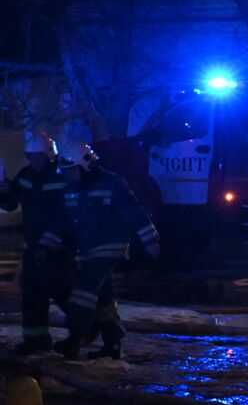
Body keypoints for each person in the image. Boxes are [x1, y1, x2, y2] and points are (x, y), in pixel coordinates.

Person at [40, 138, 159, 360]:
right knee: (102, 297)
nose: (67, 175)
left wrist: (150, 240)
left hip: (109, 247)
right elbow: (60, 220)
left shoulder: (112, 184)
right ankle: (112, 343)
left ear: (85, 165)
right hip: (87, 250)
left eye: (71, 170)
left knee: (84, 291)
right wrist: (46, 244)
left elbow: (134, 212)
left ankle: (76, 339)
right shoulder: (71, 189)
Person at [0, 131, 74, 354]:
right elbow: (12, 203)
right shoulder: (26, 175)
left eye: (39, 156)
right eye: (31, 157)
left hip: (58, 248)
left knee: (63, 291)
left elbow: (67, 213)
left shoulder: (62, 176)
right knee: (32, 294)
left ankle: (85, 328)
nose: (35, 161)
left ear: (50, 155)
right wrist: (3, 192)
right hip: (33, 247)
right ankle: (36, 340)